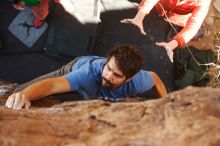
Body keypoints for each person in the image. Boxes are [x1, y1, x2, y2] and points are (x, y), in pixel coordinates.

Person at [5, 44, 168, 109]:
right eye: (108, 68)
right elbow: (52, 85)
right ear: (107, 61)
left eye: (116, 75)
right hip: (74, 68)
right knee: (19, 92)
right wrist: (25, 95)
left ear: (129, 79)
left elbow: (155, 78)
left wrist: (166, 104)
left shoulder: (138, 82)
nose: (108, 75)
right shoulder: (86, 75)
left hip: (92, 92)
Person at [121, 0, 211, 62]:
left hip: (177, 18)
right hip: (160, 6)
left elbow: (193, 25)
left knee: (192, 30)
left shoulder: (203, 3)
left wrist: (173, 44)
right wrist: (139, 16)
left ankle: (202, 31)